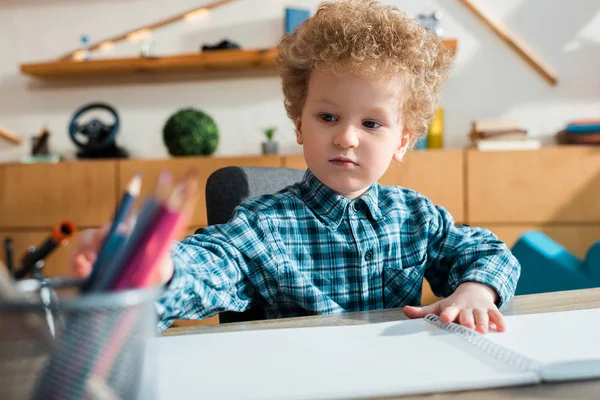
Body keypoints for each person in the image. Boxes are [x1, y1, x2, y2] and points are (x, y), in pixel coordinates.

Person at [73, 0, 520, 334]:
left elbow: (488, 253)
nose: (346, 136)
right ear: (299, 124)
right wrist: (161, 268)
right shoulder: (263, 226)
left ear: (402, 141)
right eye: (328, 117)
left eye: (371, 123)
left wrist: (474, 291)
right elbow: (210, 262)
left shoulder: (418, 217)